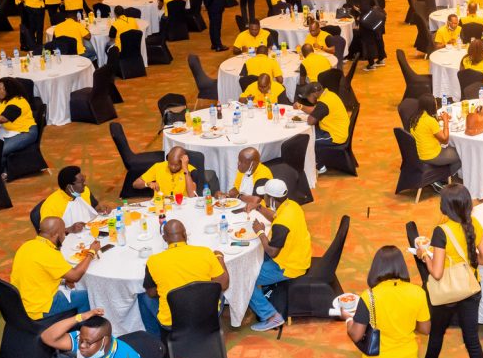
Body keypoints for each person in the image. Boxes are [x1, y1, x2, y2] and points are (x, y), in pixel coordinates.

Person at [409, 185, 483, 358]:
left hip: (447, 292)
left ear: (445, 207)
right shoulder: (474, 224)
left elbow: (436, 273)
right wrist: (467, 260)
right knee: (472, 341)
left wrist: (423, 254)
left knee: (437, 331)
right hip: (470, 288)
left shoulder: (441, 232)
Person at [342, 246, 430, 358]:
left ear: (376, 268)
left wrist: (348, 319)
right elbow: (425, 329)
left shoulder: (369, 296)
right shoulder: (418, 292)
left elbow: (356, 334)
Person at [138, 219, 229, 336]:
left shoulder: (153, 261)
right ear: (185, 235)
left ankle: (155, 341)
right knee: (216, 287)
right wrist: (219, 257)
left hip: (172, 322)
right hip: (208, 315)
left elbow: (151, 293)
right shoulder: (205, 252)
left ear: (164, 238)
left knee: (143, 296)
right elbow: (224, 284)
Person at [245, 178, 312, 332]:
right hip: (298, 255)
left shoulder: (282, 223)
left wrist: (260, 232)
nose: (263, 198)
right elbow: (275, 217)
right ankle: (263, 292)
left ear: (272, 199)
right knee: (256, 259)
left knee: (246, 278)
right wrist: (259, 207)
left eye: (265, 196)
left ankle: (271, 316)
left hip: (289, 266)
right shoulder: (291, 205)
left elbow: (272, 252)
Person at [11, 216, 96, 319]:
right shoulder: (49, 253)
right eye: (63, 233)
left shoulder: (26, 245)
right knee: (86, 296)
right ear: (56, 235)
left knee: (68, 285)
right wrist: (91, 252)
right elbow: (75, 276)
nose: (64, 237)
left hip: (20, 303)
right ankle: (83, 326)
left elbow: (41, 272)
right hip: (39, 308)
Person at [0, 77, 38, 158]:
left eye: (2, 89)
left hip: (26, 132)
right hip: (14, 130)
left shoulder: (16, 103)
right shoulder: (8, 100)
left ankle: (4, 166)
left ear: (10, 90)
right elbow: (1, 112)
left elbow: (2, 119)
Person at [40, 166, 113, 229]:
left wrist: (102, 209)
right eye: (81, 182)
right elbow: (47, 232)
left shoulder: (84, 191)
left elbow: (95, 207)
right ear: (69, 187)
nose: (85, 184)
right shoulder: (51, 205)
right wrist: (69, 229)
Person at [409, 94, 461, 180]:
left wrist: (440, 118)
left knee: (453, 150)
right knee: (461, 154)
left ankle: (442, 174)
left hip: (419, 153)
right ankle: (444, 177)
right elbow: (445, 139)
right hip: (431, 155)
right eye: (435, 104)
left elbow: (427, 126)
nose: (437, 106)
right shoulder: (430, 121)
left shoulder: (415, 117)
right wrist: (445, 121)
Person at [296, 82, 349, 163]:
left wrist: (305, 115)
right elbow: (315, 110)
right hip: (335, 129)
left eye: (308, 96)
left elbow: (310, 121)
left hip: (334, 135)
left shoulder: (323, 104)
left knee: (305, 141)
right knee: (305, 135)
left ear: (314, 94)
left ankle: (319, 166)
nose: (307, 99)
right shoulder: (328, 95)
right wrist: (300, 106)